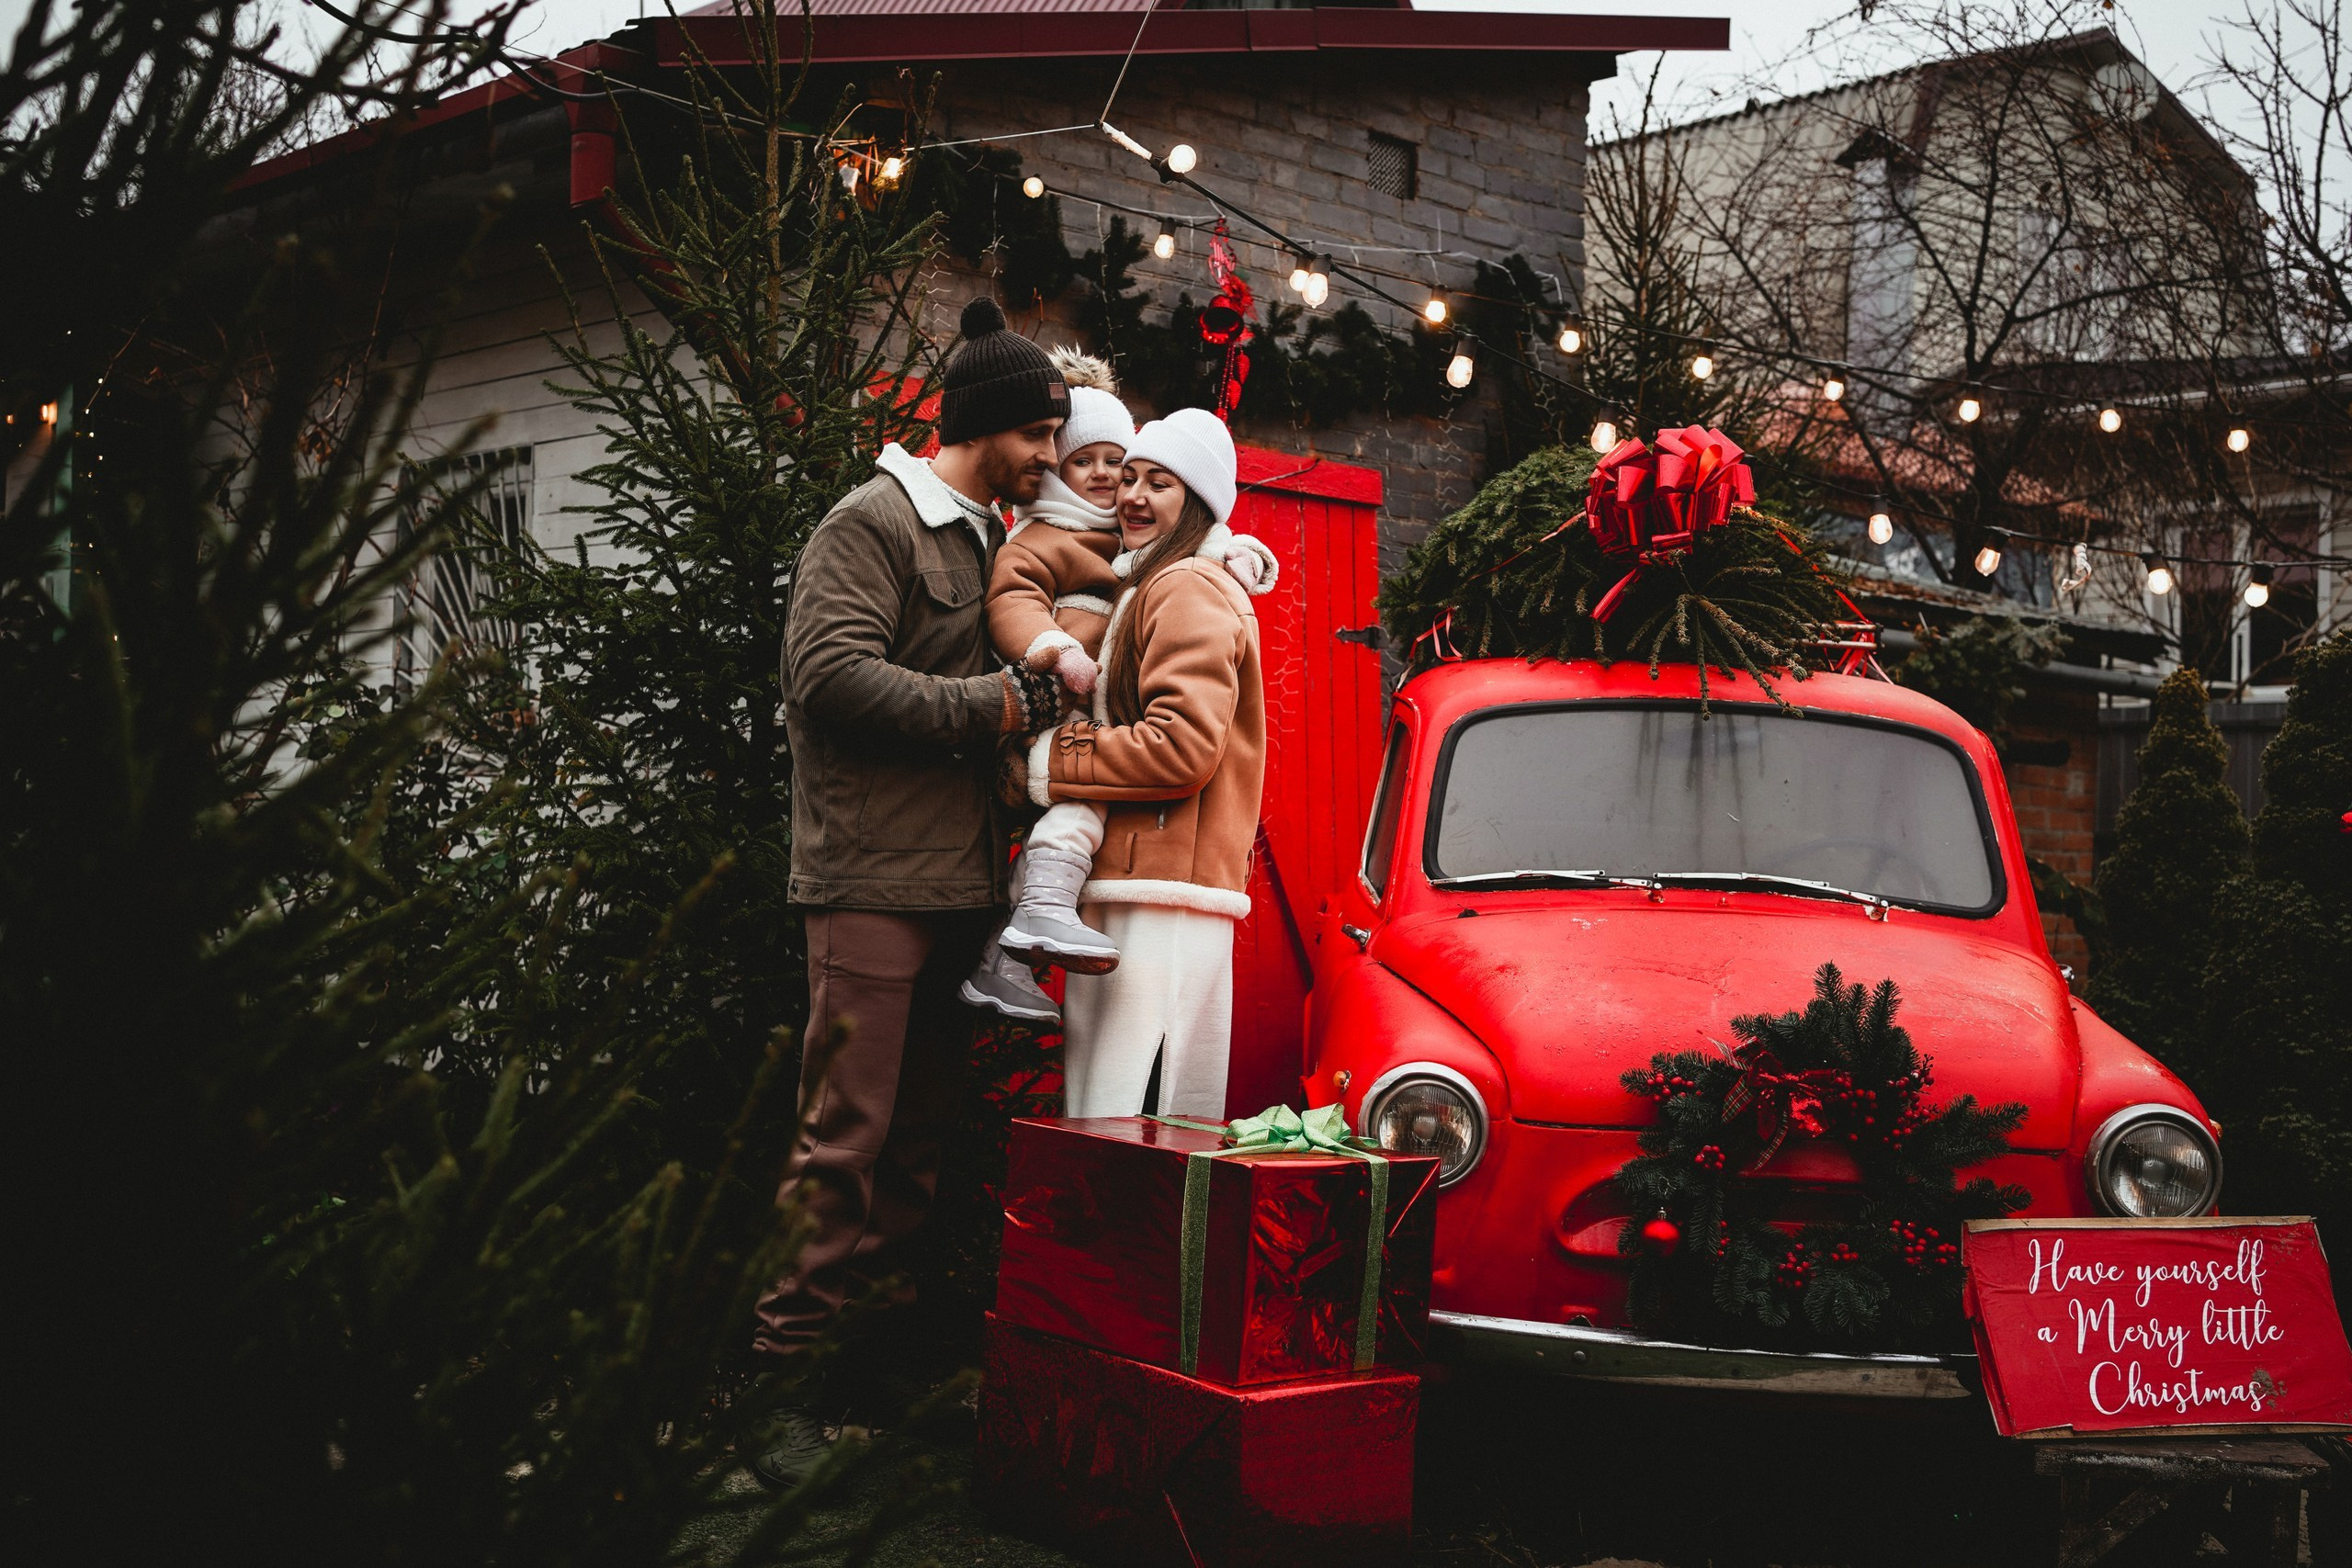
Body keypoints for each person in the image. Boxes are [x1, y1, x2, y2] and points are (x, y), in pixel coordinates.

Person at [751, 297, 1069, 1488]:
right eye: (1040, 433)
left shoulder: (987, 541)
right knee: (844, 1139)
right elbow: (827, 676)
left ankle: (870, 1379)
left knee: (918, 1147)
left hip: (956, 888)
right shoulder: (871, 523)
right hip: (868, 882)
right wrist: (994, 706)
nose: (1049, 455)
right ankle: (782, 1387)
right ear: (990, 426)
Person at [961, 354, 1275, 1023]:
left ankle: (1003, 957)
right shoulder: (1038, 536)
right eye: (1094, 465)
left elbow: (1177, 539)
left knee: (1079, 812)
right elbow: (1012, 603)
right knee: (1075, 815)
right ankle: (1035, 920)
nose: (1114, 481)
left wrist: (1229, 548)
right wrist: (1055, 648)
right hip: (1051, 700)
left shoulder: (1129, 548)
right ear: (1057, 472)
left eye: (1123, 463)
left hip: (1090, 720)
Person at [1021, 408, 1266, 1118]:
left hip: (1162, 896)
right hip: (1148, 884)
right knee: (1130, 1123)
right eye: (1128, 476)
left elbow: (1180, 746)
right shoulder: (1159, 581)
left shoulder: (1185, 584)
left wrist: (1046, 759)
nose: (1131, 493)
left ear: (1197, 501)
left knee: (1130, 1116)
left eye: (1159, 481)